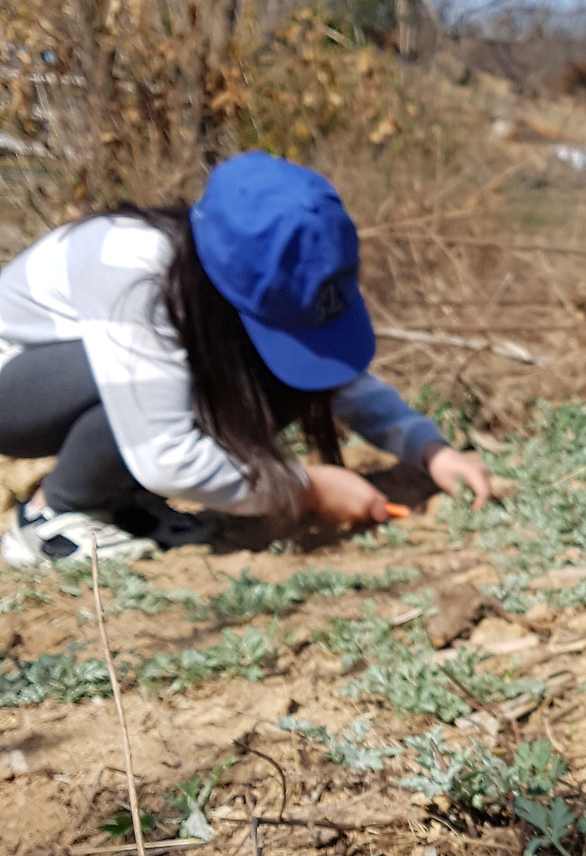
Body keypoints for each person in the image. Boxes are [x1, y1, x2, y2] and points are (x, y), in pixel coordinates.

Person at [0, 151, 491, 566]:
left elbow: (332, 374)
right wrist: (306, 488)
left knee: (242, 367)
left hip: (92, 381)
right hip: (15, 387)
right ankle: (50, 516)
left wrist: (430, 449)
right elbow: (164, 455)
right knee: (161, 373)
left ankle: (118, 500)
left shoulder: (237, 275)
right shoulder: (133, 266)